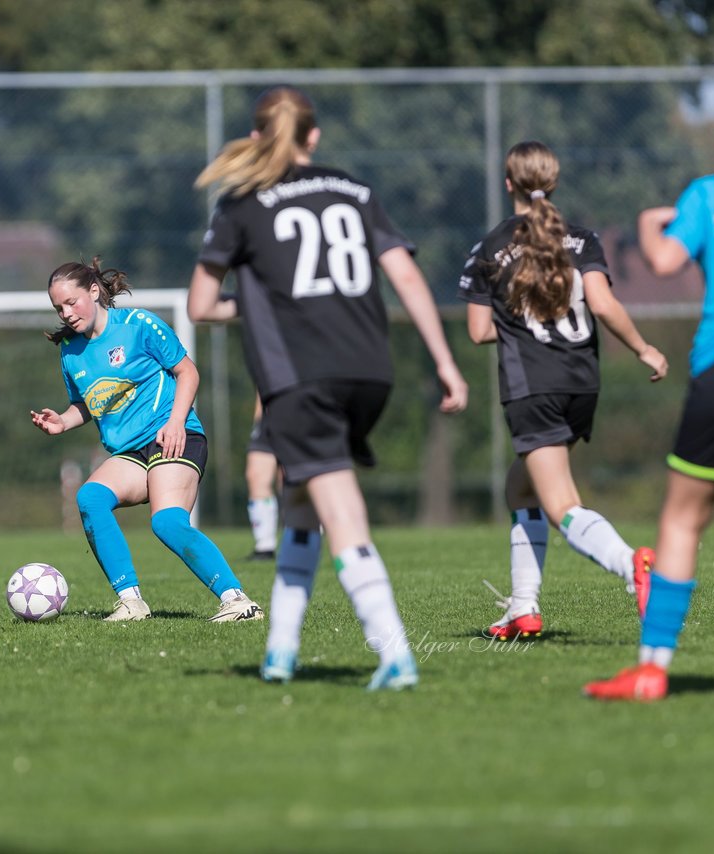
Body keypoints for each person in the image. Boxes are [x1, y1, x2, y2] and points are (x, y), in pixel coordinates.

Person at [187, 85, 468, 690]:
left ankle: (394, 651)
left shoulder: (241, 203)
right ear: (314, 136)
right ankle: (280, 651)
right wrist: (445, 360)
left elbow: (202, 305)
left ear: (259, 136)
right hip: (371, 368)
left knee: (339, 508)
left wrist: (260, 305)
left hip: (300, 374)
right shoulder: (356, 190)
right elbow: (407, 277)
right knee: (301, 506)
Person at [585, 97, 714, 701]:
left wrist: (647, 223)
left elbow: (664, 260)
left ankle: (651, 669)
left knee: (684, 517)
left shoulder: (709, 194)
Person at [460, 141, 669, 641]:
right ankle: (524, 608)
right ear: (552, 182)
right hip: (582, 383)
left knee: (560, 504)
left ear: (507, 182)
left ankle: (632, 567)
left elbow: (478, 331)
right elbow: (602, 302)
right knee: (521, 485)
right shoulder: (580, 239)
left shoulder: (490, 247)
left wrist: (520, 325)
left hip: (533, 386)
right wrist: (642, 348)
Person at [31, 257, 263, 623]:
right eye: (58, 307)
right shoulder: (70, 351)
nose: (67, 313)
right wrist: (62, 420)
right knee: (90, 497)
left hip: (174, 436)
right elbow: (87, 403)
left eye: (71, 302)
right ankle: (131, 603)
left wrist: (175, 423)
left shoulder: (138, 325)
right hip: (129, 452)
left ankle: (238, 602)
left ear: (94, 291)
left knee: (167, 523)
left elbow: (187, 372)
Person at [246, 395, 279, 561]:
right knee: (256, 475)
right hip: (267, 418)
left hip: (301, 408)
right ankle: (264, 546)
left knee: (293, 481)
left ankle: (309, 535)